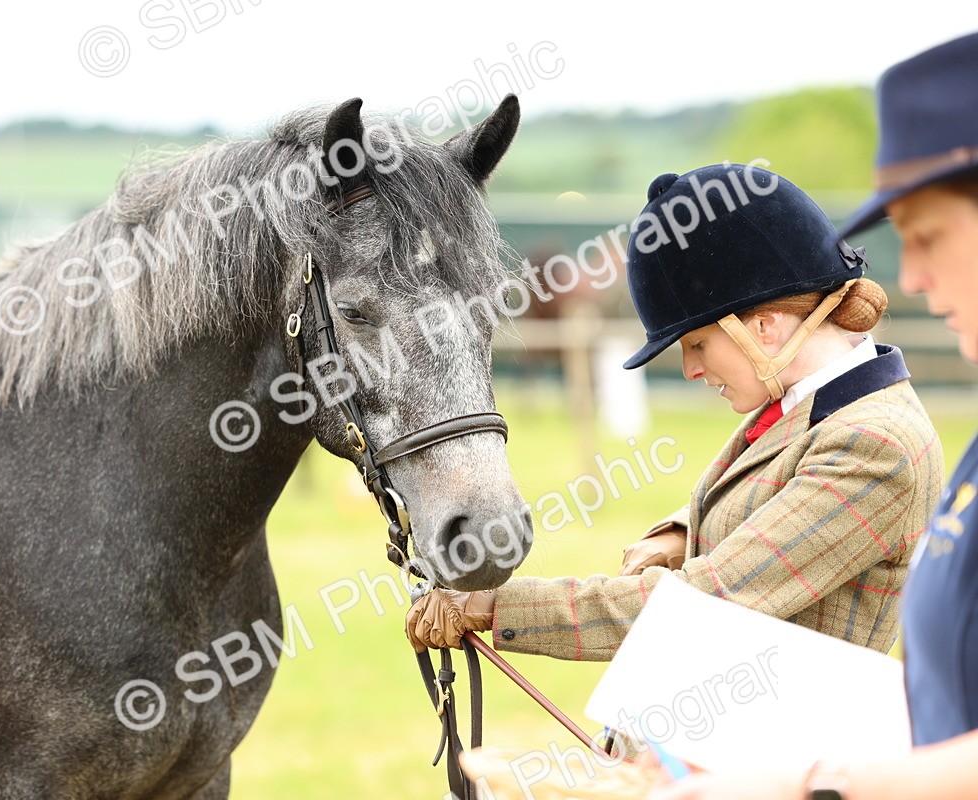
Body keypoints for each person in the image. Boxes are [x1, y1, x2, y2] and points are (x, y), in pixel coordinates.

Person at [405, 163, 943, 676]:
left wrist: (496, 608)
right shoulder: (813, 404)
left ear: (764, 327)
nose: (689, 369)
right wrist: (681, 533)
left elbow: (713, 601)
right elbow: (776, 496)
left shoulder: (875, 443)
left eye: (697, 343)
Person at [649, 31, 978, 800]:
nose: (917, 279)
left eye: (928, 238)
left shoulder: (881, 442)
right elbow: (942, 702)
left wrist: (810, 782)